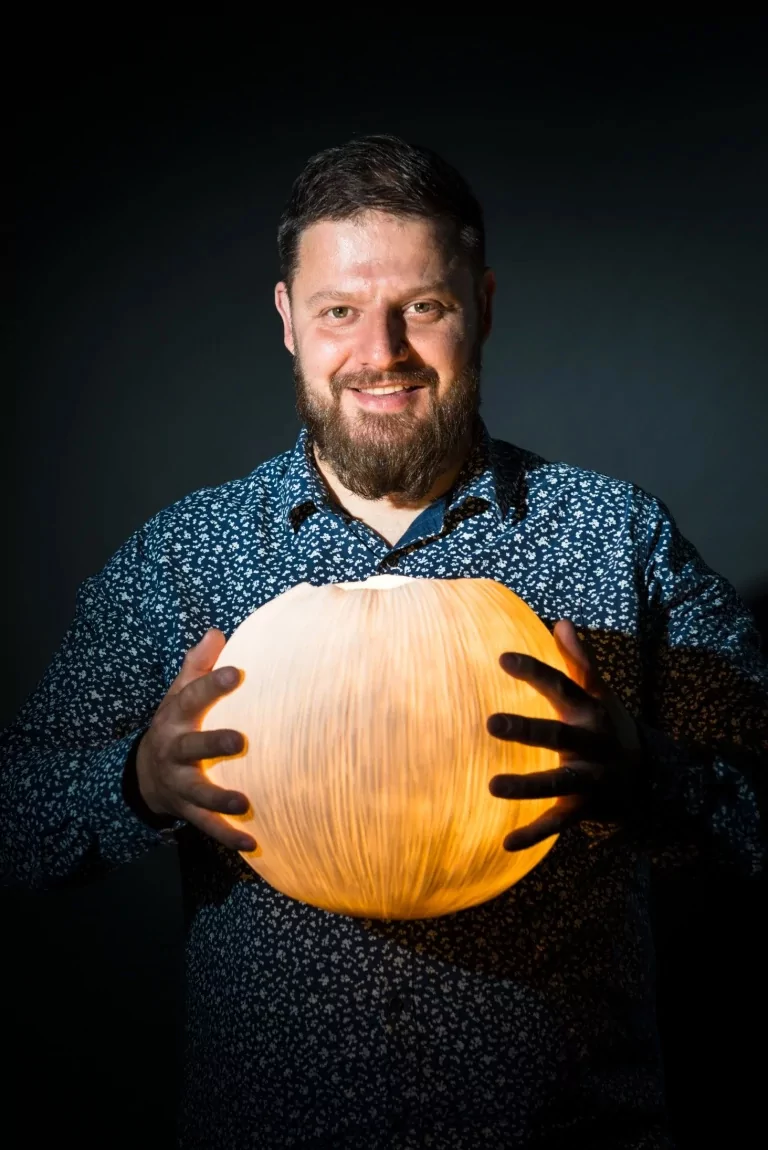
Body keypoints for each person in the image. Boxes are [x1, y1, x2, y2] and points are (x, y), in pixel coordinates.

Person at [2, 133, 765, 1150]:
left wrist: (649, 776)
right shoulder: (186, 558)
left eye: (425, 307)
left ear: (482, 306)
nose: (382, 350)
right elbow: (14, 825)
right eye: (339, 311)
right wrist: (138, 784)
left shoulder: (616, 537)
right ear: (287, 319)